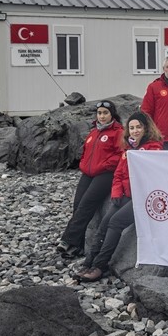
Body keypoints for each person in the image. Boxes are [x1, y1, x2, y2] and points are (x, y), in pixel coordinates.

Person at [77, 111, 164, 282]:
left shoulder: (154, 149)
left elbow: (154, 176)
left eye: (138, 127)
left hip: (143, 198)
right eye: (131, 128)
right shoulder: (128, 149)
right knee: (103, 224)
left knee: (116, 222)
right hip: (126, 195)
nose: (135, 131)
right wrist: (116, 192)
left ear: (146, 129)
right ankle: (90, 260)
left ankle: (100, 265)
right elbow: (118, 174)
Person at [56, 100, 125, 258]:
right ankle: (78, 246)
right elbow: (86, 151)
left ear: (112, 114)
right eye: (99, 113)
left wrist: (106, 165)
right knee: (78, 204)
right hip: (88, 173)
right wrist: (83, 163)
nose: (102, 116)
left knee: (87, 204)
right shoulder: (95, 131)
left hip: (106, 174)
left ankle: (68, 241)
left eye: (105, 113)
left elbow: (121, 154)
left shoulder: (118, 131)